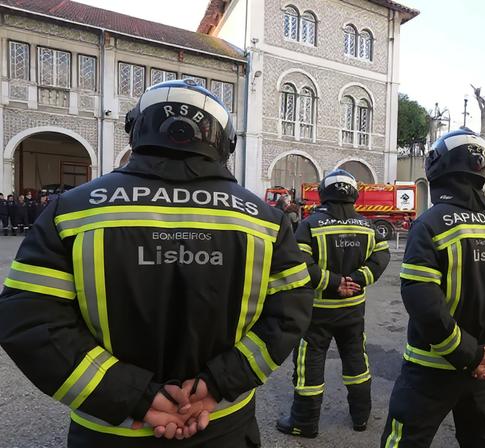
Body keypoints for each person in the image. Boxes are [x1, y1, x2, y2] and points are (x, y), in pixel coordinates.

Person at [0, 79, 314, 447]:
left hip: (113, 431)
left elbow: (30, 319)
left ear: (135, 130)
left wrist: (133, 396)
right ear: (225, 143)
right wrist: (215, 385)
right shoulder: (265, 220)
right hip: (221, 421)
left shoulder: (71, 210)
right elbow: (290, 312)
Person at [381, 128, 485, 447]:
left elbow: (423, 303)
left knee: (403, 441)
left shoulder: (430, 224)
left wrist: (470, 355)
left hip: (431, 369)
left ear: (438, 168)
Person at [277, 168, 390, 438]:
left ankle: (304, 422)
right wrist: (357, 279)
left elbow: (300, 261)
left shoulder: (310, 224)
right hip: (353, 310)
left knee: (309, 362)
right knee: (356, 359)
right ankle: (361, 417)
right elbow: (382, 256)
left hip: (317, 311)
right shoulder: (367, 225)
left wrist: (332, 282)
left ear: (324, 192)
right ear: (354, 193)